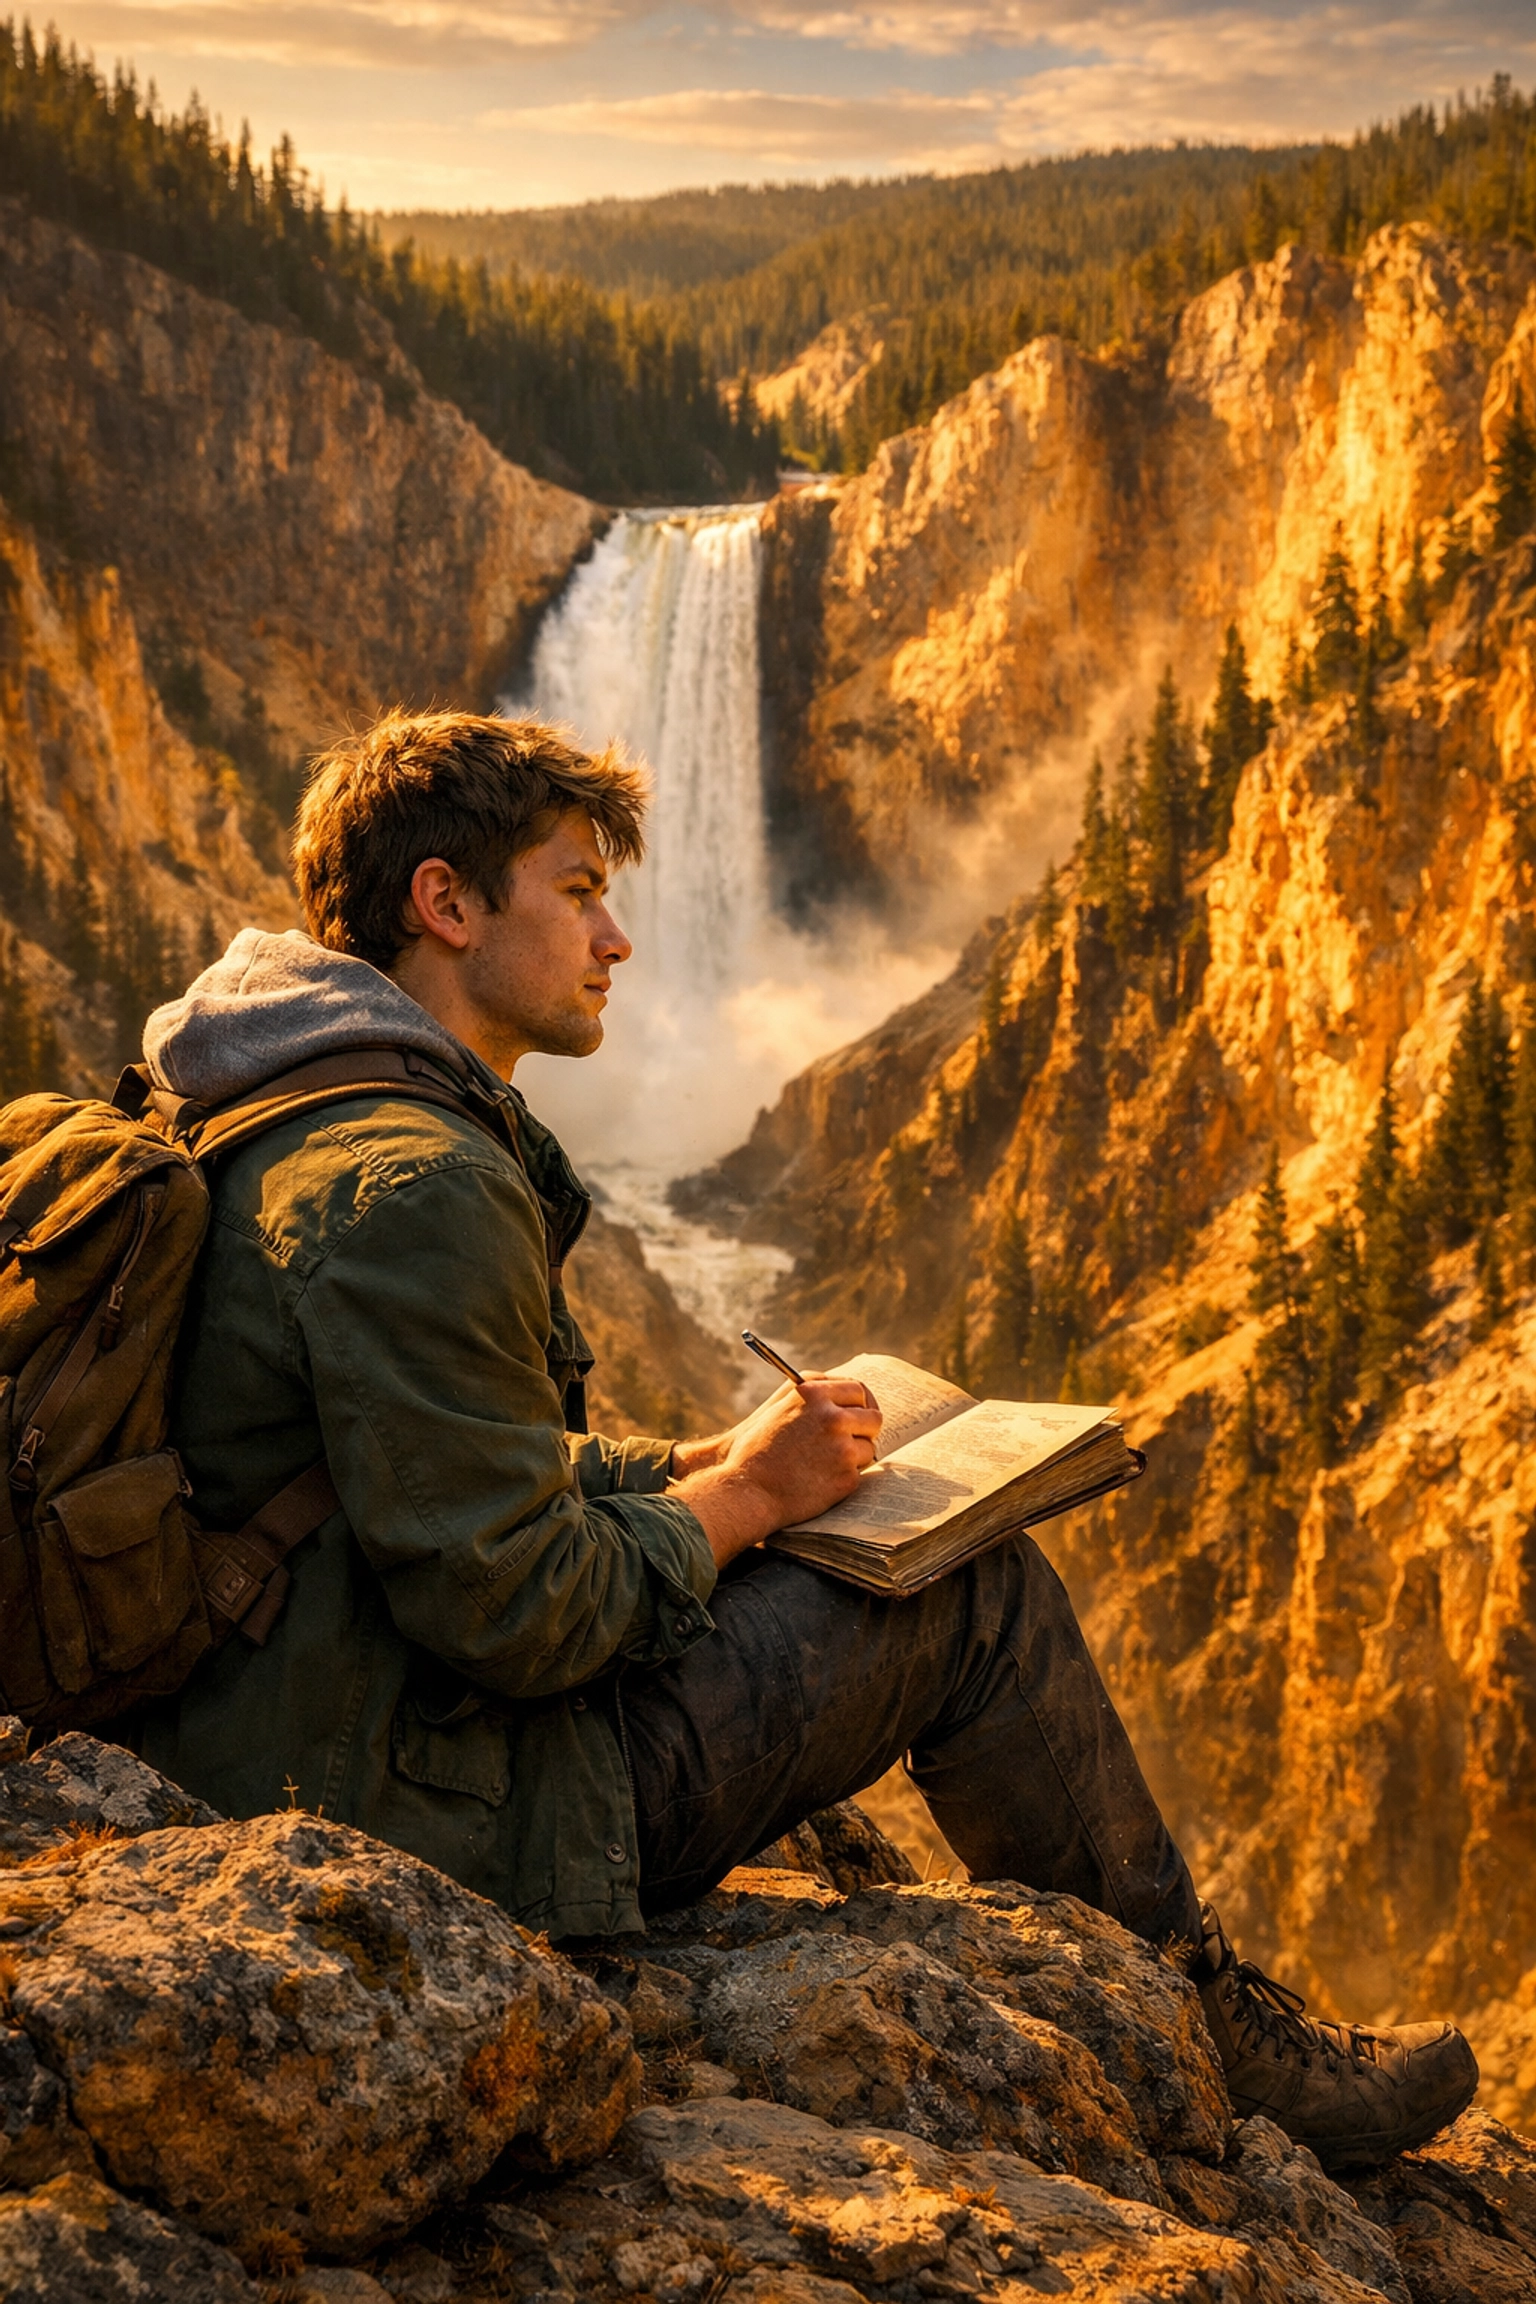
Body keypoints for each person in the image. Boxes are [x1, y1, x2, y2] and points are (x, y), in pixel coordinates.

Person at [141, 709, 1477, 2174]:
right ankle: (1211, 2027)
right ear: (447, 904)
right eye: (579, 891)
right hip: (423, 1812)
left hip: (287, 1721)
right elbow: (519, 1613)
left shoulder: (281, 1103)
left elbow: (431, 1467)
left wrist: (714, 1464)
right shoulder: (419, 1185)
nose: (619, 942)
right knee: (975, 1590)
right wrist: (745, 1502)